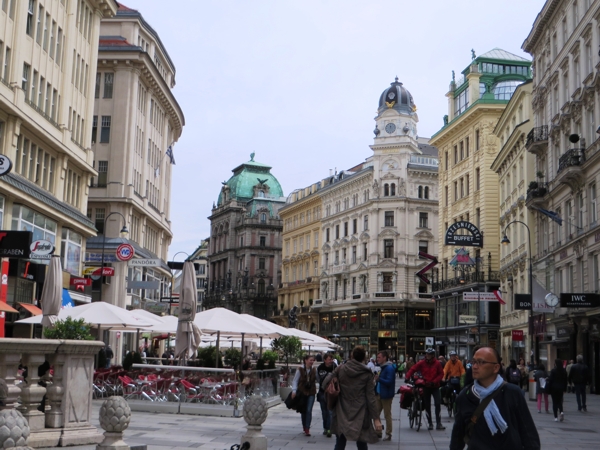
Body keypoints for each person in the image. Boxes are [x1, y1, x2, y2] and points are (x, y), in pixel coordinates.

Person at [449, 347, 540, 450]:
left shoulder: (512, 392)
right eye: (473, 362)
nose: (474, 366)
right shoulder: (465, 396)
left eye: (481, 362)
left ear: (496, 368)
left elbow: (528, 432)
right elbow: (457, 437)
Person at [323, 346, 382, 450]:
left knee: (340, 443)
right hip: (360, 411)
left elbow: (324, 383)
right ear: (364, 357)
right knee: (362, 444)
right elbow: (371, 398)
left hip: (342, 409)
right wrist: (376, 419)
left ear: (352, 356)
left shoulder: (341, 368)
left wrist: (336, 380)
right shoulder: (367, 373)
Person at [405, 348, 445, 430]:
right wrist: (407, 377)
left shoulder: (437, 363)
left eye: (429, 354)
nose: (427, 356)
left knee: (437, 404)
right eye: (426, 354)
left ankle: (439, 423)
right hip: (426, 386)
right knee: (427, 405)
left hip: (435, 386)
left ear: (433, 355)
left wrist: (434, 381)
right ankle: (430, 423)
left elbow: (441, 374)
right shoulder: (422, 363)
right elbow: (413, 369)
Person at [291, 354, 317, 436]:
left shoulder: (314, 370)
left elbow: (318, 379)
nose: (312, 362)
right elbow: (295, 380)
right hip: (302, 392)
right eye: (310, 360)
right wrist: (294, 391)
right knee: (303, 410)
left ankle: (307, 428)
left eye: (313, 360)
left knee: (309, 410)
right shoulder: (300, 369)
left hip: (311, 392)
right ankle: (304, 426)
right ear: (306, 360)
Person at [375, 350, 395, 441]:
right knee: (375, 413)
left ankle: (388, 433)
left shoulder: (389, 368)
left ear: (384, 358)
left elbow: (389, 382)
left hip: (386, 395)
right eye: (377, 357)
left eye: (379, 357)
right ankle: (378, 432)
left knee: (387, 414)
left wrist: (379, 379)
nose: (377, 359)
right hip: (379, 394)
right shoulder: (382, 367)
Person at [316, 353, 335, 437]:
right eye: (329, 359)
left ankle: (329, 429)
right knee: (324, 412)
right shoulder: (320, 368)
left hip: (331, 392)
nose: (331, 361)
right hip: (322, 392)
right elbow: (318, 378)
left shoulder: (335, 367)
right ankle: (325, 428)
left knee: (330, 411)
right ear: (325, 360)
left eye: (331, 359)